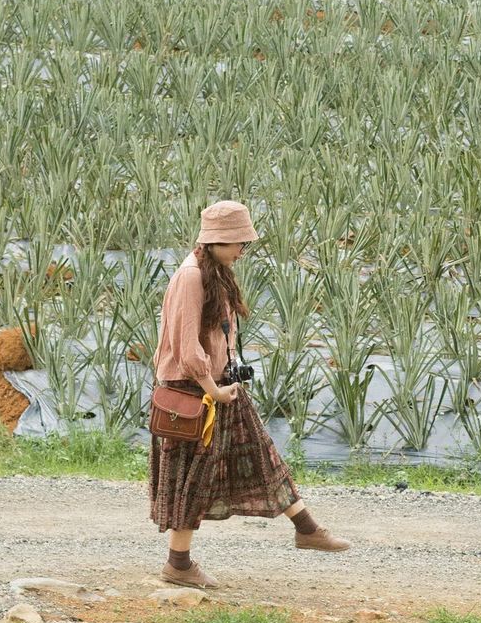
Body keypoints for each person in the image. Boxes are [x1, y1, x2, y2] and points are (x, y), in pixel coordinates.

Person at [149, 199, 349, 588]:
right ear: (215, 242)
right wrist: (213, 390)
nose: (242, 250)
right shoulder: (191, 277)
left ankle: (306, 529)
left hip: (217, 385)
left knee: (262, 453)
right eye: (237, 242)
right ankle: (178, 563)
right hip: (195, 392)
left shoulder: (213, 273)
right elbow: (186, 347)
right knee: (192, 477)